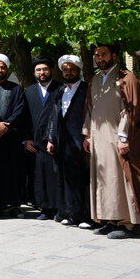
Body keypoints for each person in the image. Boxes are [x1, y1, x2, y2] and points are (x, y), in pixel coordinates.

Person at [83, 43, 140, 238]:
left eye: (104, 54)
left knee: (120, 180)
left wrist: (124, 137)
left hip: (117, 139)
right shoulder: (96, 79)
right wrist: (88, 134)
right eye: (97, 55)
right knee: (103, 180)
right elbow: (90, 110)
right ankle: (108, 220)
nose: (100, 58)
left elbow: (131, 110)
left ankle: (125, 223)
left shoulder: (126, 78)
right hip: (98, 139)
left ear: (115, 55)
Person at [46, 55, 92, 228]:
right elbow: (53, 117)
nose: (68, 72)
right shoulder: (60, 91)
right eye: (65, 69)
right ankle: (69, 213)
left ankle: (85, 216)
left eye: (72, 69)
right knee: (65, 178)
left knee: (82, 178)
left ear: (78, 70)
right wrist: (51, 138)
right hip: (63, 141)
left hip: (80, 141)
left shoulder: (86, 90)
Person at [0, 54, 28, 217]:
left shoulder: (16, 89)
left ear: (7, 69)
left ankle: (14, 205)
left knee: (13, 171)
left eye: (2, 67)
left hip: (11, 138)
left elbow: (20, 109)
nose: (0, 70)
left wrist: (6, 125)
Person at [23, 56, 63, 220]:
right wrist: (26, 139)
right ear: (34, 72)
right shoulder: (30, 91)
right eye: (38, 70)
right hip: (36, 143)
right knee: (39, 177)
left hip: (56, 142)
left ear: (51, 70)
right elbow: (24, 117)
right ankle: (44, 208)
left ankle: (59, 208)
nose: (42, 72)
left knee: (56, 176)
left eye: (45, 69)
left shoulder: (60, 89)